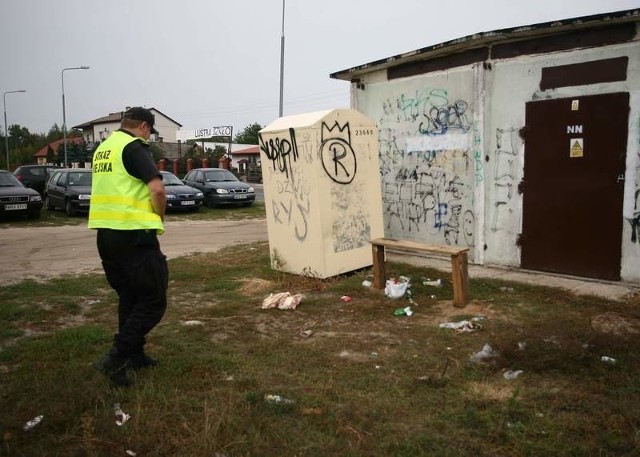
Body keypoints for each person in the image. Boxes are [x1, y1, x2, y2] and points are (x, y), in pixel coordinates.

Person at [89, 107, 168, 387]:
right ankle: (116, 358)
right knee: (153, 300)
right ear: (144, 127)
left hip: (106, 235)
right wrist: (159, 215)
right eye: (149, 132)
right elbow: (157, 188)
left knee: (130, 297)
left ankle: (134, 356)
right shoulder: (134, 147)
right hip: (133, 235)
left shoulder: (104, 148)